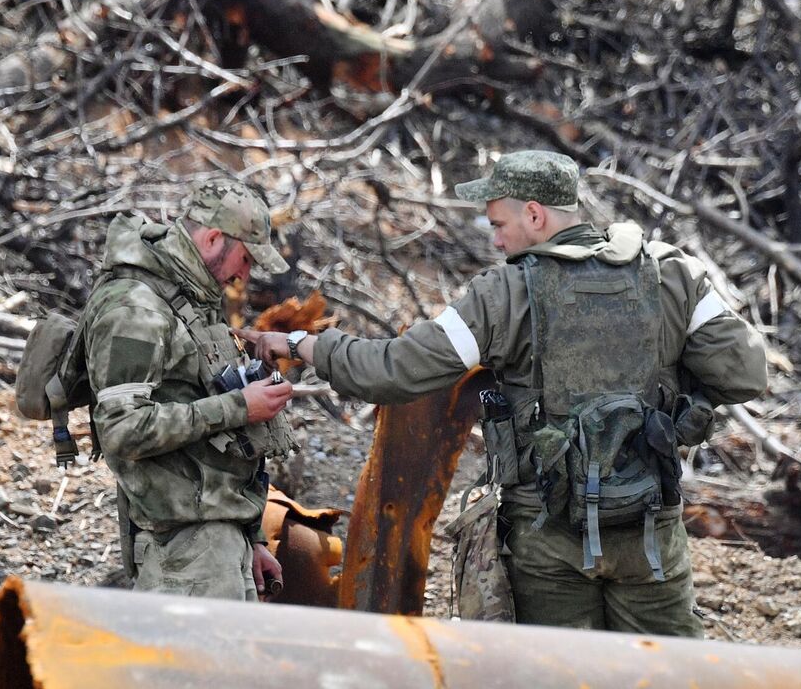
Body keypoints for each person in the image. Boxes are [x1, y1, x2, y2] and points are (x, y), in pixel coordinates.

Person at [237, 151, 767, 637]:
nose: (494, 240)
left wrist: (301, 342)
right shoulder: (671, 274)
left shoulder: (505, 294)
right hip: (649, 529)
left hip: (548, 536)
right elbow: (745, 373)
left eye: (498, 224)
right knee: (669, 675)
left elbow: (392, 371)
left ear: (534, 215)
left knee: (554, 674)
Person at [81, 180, 297, 600]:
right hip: (184, 556)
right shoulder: (135, 307)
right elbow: (121, 430)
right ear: (214, 238)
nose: (244, 275)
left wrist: (246, 538)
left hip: (214, 547)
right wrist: (238, 407)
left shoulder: (193, 300)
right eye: (246, 258)